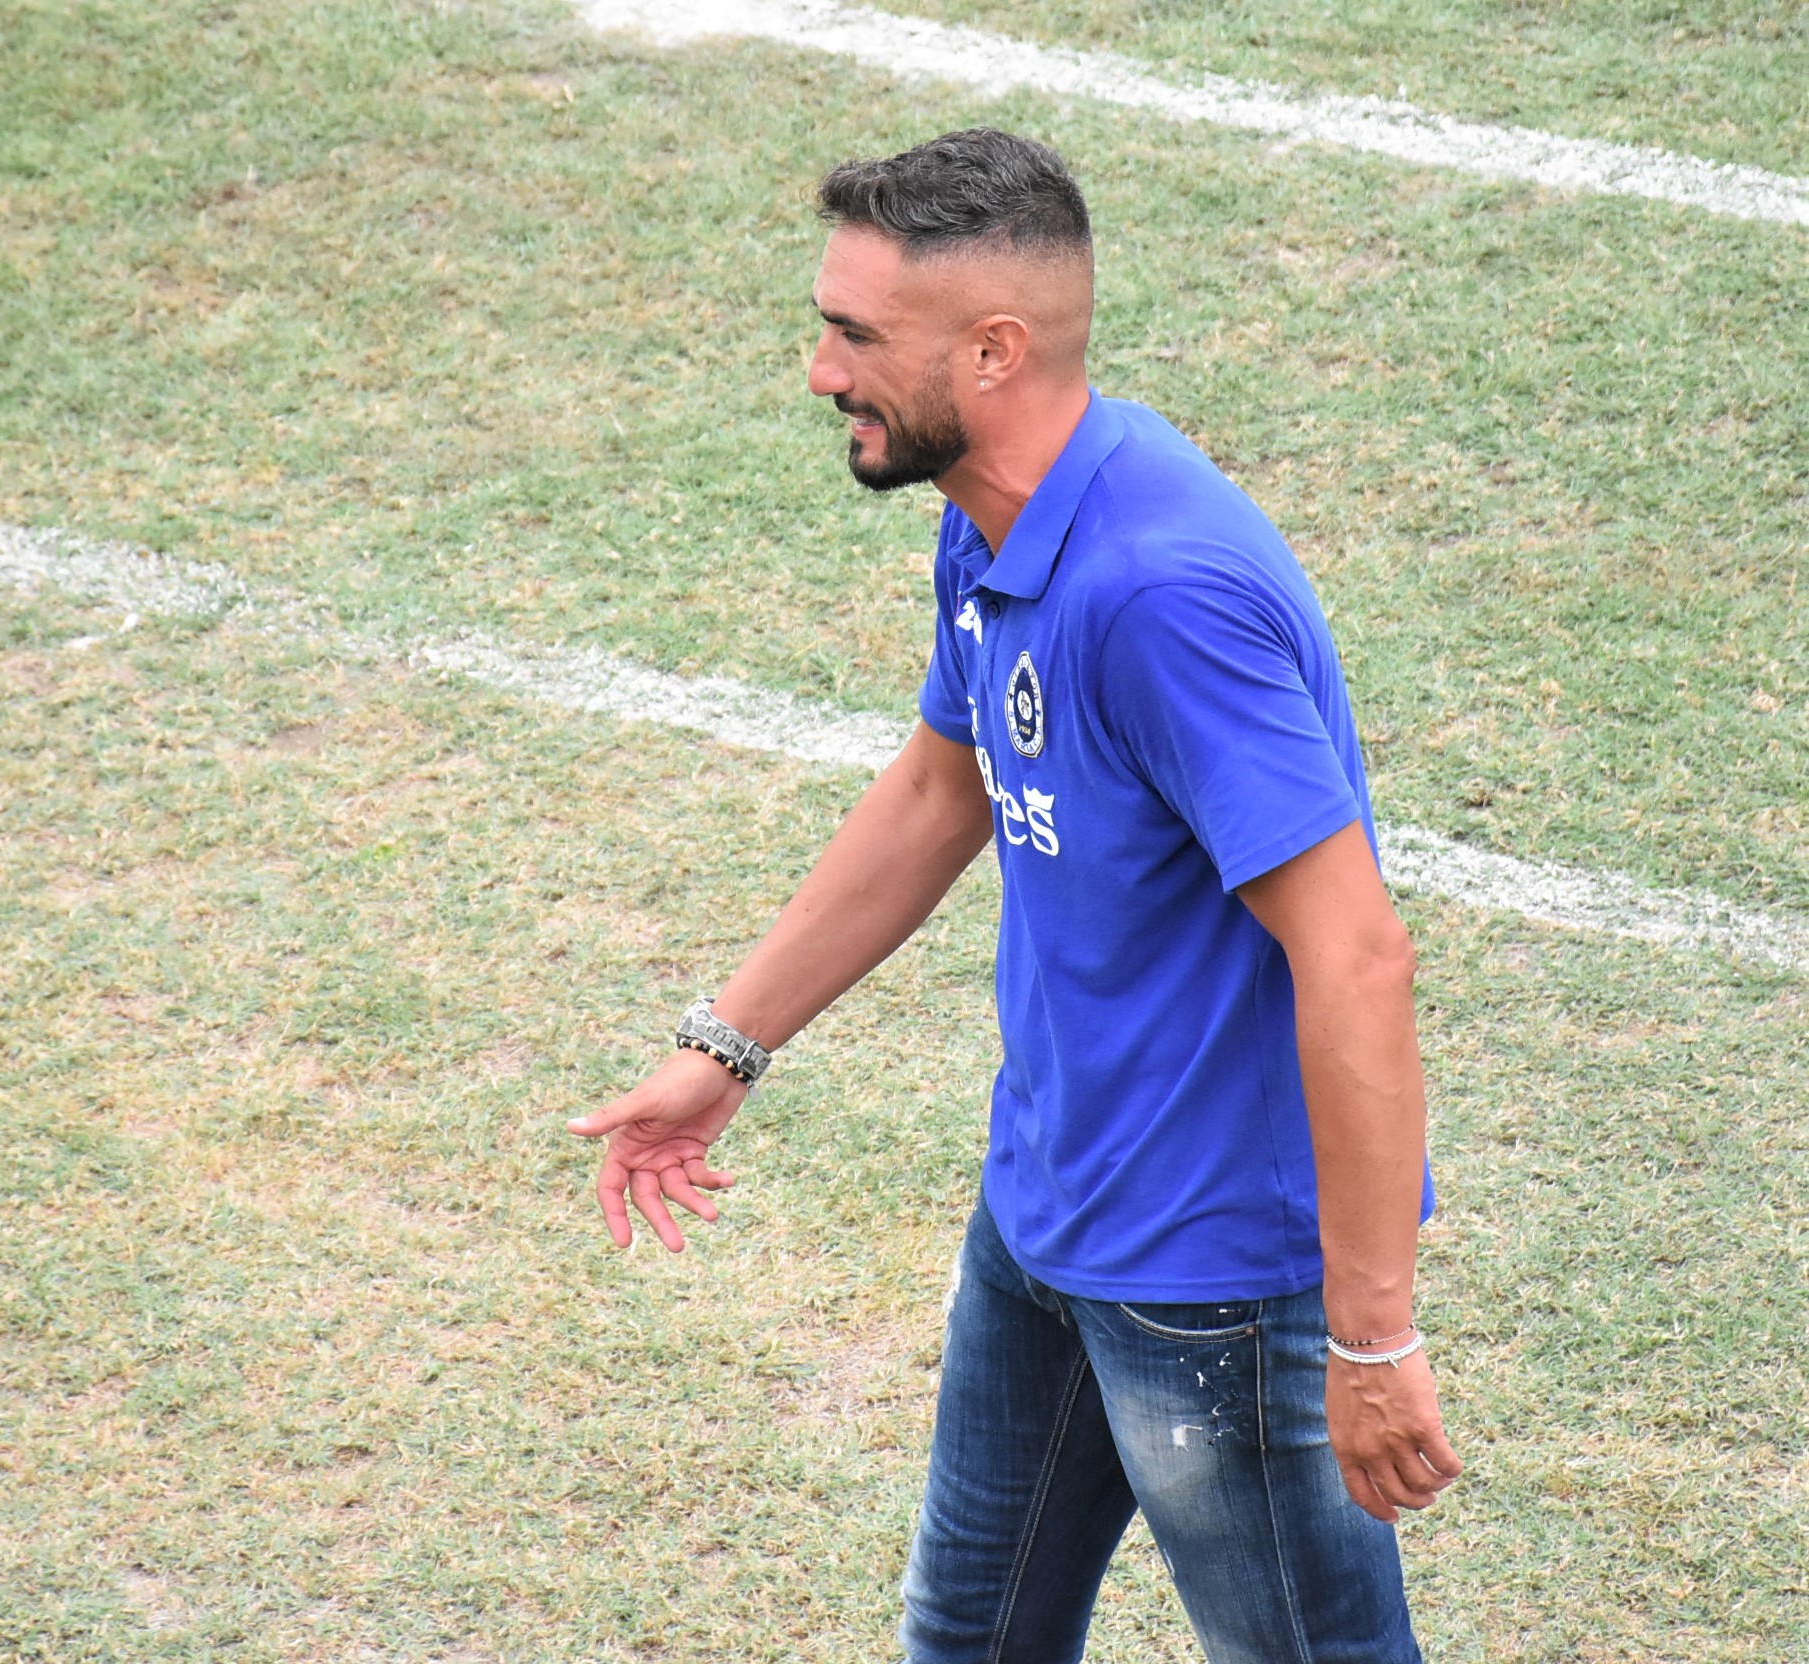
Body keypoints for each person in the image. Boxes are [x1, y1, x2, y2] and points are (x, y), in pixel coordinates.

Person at [565, 127, 1460, 1662]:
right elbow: (941, 787)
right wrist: (725, 1050)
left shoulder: (1160, 591)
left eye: (855, 335)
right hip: (1048, 1214)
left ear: (994, 350)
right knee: (968, 1642)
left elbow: (1357, 956)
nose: (819, 372)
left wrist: (1370, 1335)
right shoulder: (997, 521)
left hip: (1214, 1291)